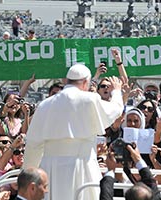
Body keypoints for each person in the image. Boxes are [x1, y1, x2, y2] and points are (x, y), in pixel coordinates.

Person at [23, 64, 124, 200]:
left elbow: (33, 144)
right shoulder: (89, 99)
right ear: (85, 82)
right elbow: (115, 110)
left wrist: (28, 173)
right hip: (82, 166)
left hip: (51, 168)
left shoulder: (45, 104)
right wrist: (117, 91)